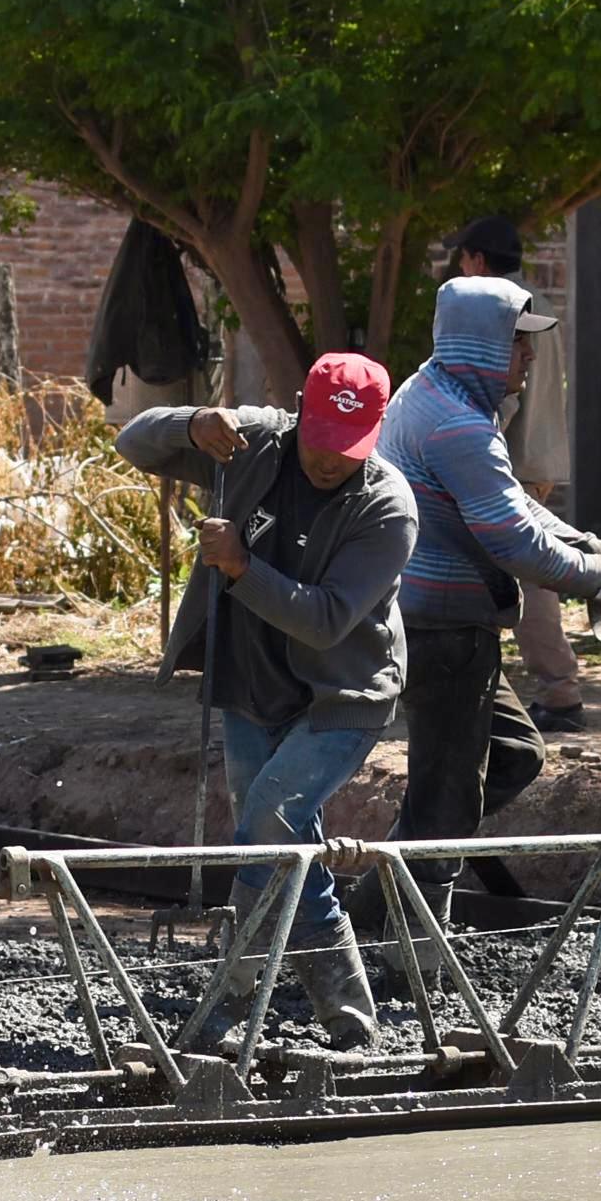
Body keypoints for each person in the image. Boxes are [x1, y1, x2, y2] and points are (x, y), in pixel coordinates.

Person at [117, 352, 417, 1051]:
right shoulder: (252, 442)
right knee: (285, 841)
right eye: (320, 441)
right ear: (299, 414)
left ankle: (227, 1000)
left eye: (347, 448)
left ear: (375, 433)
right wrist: (192, 422)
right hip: (250, 684)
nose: (329, 461)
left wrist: (241, 567)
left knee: (268, 821)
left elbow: (326, 619)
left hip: (342, 695)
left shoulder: (387, 506)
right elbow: (134, 442)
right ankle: (348, 1012)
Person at [383, 273, 601, 893]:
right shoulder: (457, 425)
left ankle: (403, 858)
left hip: (441, 623)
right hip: (443, 631)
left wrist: (592, 545)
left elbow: (512, 503)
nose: (530, 355)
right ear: (479, 344)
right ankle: (399, 928)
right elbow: (518, 545)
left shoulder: (434, 393)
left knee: (514, 753)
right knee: (445, 804)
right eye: (517, 341)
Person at [446, 214, 593, 729]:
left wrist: (472, 446)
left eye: (463, 259)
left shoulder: (502, 307)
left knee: (527, 578)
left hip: (509, 459)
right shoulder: (539, 303)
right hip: (535, 456)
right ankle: (551, 690)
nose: (460, 270)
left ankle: (560, 692)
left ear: (478, 260)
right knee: (525, 573)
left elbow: (503, 394)